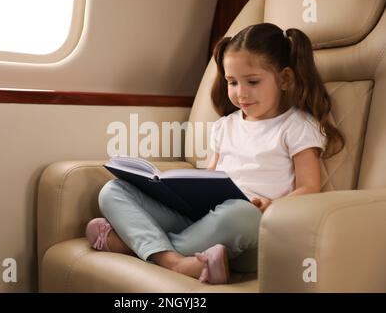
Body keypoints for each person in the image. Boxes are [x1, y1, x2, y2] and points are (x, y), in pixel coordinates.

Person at [85, 23, 345, 285]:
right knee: (114, 190)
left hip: (256, 229)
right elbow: (212, 176)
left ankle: (140, 246)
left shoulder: (297, 126)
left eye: (252, 82)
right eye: (232, 82)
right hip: (206, 220)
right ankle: (177, 262)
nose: (240, 92)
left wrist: (272, 206)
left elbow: (310, 187)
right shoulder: (226, 125)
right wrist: (176, 191)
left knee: (239, 212)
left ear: (285, 79)